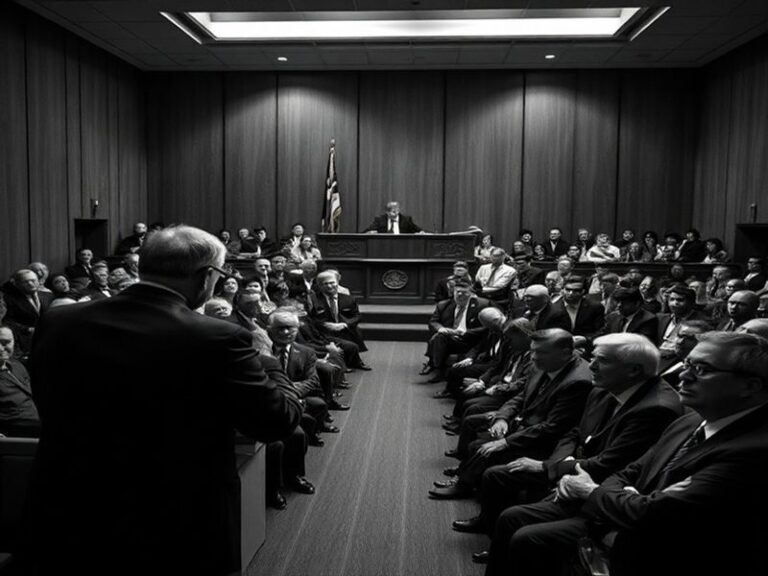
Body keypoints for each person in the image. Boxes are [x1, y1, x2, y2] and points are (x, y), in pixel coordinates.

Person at [21, 225, 303, 576]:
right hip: (174, 521)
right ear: (206, 276)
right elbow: (277, 421)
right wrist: (270, 362)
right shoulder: (219, 338)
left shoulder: (59, 320)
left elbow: (47, 393)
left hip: (69, 507)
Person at [466, 334, 681, 563]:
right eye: (593, 358)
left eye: (602, 360)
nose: (592, 365)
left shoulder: (655, 409)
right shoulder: (604, 387)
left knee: (514, 518)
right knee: (499, 480)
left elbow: (610, 464)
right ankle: (502, 548)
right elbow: (575, 432)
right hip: (574, 465)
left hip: (602, 485)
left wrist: (554, 469)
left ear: (633, 370)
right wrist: (554, 465)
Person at [429, 329, 592, 500]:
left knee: (485, 448)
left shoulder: (577, 382)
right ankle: (465, 480)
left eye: (540, 352)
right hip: (527, 425)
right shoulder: (546, 363)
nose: (534, 357)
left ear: (565, 353)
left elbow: (553, 428)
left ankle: (464, 485)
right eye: (533, 350)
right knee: (479, 442)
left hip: (546, 441)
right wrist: (502, 418)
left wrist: (506, 442)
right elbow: (521, 396)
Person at [421, 278, 491, 382]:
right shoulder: (444, 305)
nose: (459, 295)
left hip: (471, 339)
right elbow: (433, 322)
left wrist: (466, 332)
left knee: (436, 339)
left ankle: (433, 363)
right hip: (451, 337)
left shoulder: (481, 305)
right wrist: (442, 329)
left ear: (471, 294)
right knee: (439, 336)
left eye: (463, 292)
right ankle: (438, 368)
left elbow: (487, 327)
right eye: (457, 292)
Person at [308, 270, 371, 368]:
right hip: (324, 331)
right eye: (326, 284)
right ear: (320, 286)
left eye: (332, 283)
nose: (329, 286)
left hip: (344, 327)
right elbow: (311, 319)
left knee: (353, 332)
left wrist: (345, 324)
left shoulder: (349, 299)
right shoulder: (313, 299)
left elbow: (357, 316)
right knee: (347, 345)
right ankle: (343, 363)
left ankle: (354, 361)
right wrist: (327, 325)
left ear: (337, 283)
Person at [2, 269, 54, 359]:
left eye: (33, 280)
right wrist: (28, 329)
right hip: (26, 342)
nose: (30, 284)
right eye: (26, 282)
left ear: (38, 281)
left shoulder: (48, 296)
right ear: (17, 284)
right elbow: (8, 321)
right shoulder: (9, 299)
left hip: (49, 338)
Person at [0, 325, 41, 437]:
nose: (0, 348)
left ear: (14, 342)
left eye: (6, 342)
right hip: (19, 430)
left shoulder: (17, 366)